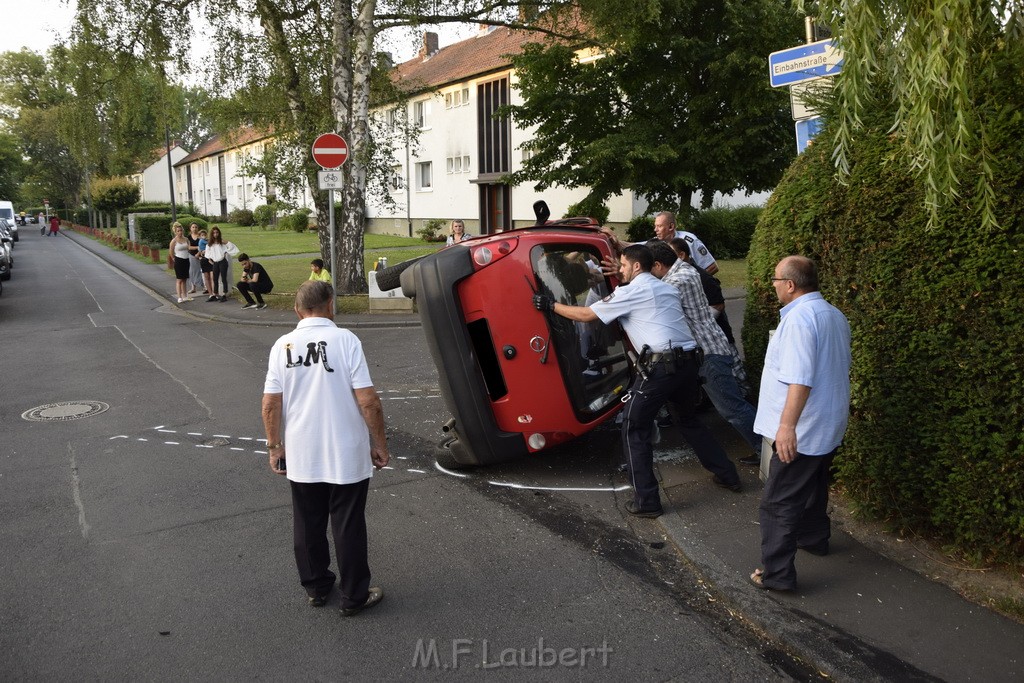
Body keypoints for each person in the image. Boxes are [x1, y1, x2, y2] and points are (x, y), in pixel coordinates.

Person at [533, 244, 742, 518]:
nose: (619, 269)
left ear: (636, 266)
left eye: (622, 265)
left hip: (662, 368)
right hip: (689, 364)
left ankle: (647, 502)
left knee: (634, 428)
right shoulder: (665, 287)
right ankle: (728, 475)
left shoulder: (631, 291)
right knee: (688, 421)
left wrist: (551, 305)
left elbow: (586, 315)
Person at [261, 280, 390, 614]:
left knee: (307, 524)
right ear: (330, 304)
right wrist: (380, 444)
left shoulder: (282, 345)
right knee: (347, 524)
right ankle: (353, 596)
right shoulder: (345, 340)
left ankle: (317, 588)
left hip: (302, 452)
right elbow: (369, 401)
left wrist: (275, 447)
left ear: (297, 309)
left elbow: (270, 404)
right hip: (345, 451)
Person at [749, 256, 851, 592]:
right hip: (828, 422)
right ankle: (815, 538)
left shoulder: (798, 321)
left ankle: (777, 575)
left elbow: (800, 380)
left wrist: (787, 427)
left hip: (803, 427)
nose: (774, 285)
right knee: (814, 485)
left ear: (790, 285)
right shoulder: (833, 314)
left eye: (776, 279)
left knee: (778, 502)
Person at [647, 241, 761, 460]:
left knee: (732, 408)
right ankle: (766, 449)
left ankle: (767, 451)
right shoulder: (685, 268)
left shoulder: (677, 281)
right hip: (708, 351)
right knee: (731, 405)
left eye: (650, 269)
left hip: (710, 354)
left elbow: (651, 292)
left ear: (659, 265)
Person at [203, 226, 238, 302]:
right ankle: (215, 294)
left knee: (223, 278)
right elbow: (207, 252)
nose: (215, 234)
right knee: (215, 279)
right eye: (214, 233)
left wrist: (226, 249)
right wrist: (210, 259)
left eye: (217, 232)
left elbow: (231, 246)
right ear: (212, 234)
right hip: (215, 262)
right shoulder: (210, 244)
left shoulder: (221, 242)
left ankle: (224, 294)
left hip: (222, 262)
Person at [168, 222, 192, 303]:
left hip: (186, 260)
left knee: (184, 279)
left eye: (181, 230)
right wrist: (174, 258)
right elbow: (171, 252)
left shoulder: (186, 239)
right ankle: (179, 297)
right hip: (179, 260)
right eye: (178, 231)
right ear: (175, 231)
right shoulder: (174, 241)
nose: (180, 232)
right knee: (179, 279)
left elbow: (189, 248)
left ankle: (185, 295)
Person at [186, 223, 206, 295]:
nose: (194, 228)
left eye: (196, 227)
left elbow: (204, 245)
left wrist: (199, 251)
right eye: (193, 227)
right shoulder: (188, 237)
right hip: (192, 256)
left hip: (201, 255)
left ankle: (204, 286)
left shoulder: (200, 236)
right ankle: (193, 288)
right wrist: (197, 247)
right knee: (192, 271)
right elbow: (188, 247)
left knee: (202, 271)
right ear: (190, 228)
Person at [197, 229, 215, 298]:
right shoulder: (202, 241)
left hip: (209, 259)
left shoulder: (205, 240)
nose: (204, 236)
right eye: (202, 235)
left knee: (212, 276)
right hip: (204, 260)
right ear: (200, 236)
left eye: (204, 235)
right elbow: (208, 244)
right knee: (207, 277)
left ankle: (213, 292)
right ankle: (210, 293)